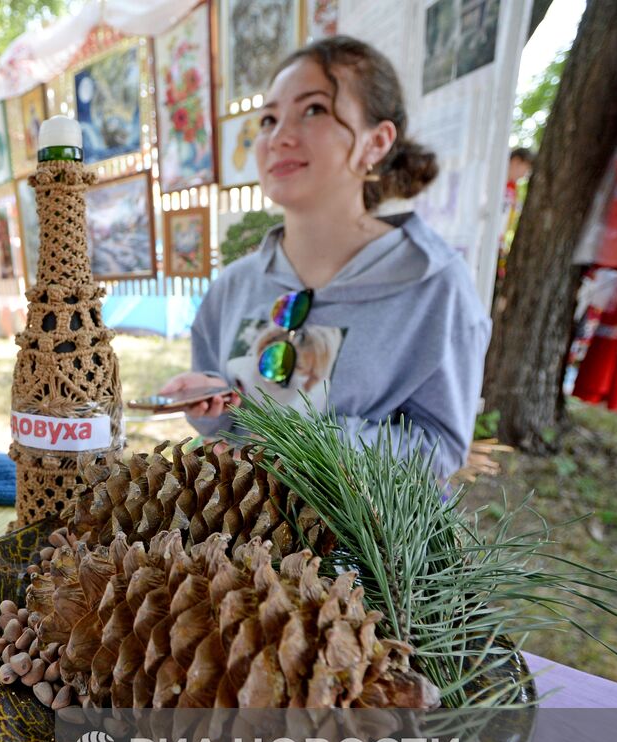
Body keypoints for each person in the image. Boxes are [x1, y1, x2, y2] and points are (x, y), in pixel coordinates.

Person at [159, 36, 490, 481]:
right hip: (237, 544)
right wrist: (213, 406)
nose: (279, 137)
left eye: (314, 109)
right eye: (269, 118)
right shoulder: (232, 288)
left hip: (368, 545)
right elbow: (228, 431)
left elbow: (440, 448)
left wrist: (301, 440)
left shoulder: (433, 286)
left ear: (376, 142)